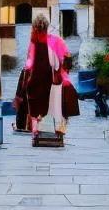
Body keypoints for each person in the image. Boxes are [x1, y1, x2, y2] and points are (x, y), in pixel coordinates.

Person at [21, 14, 79, 144]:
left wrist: (25, 80)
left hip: (36, 82)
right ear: (47, 27)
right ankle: (59, 131)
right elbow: (67, 59)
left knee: (36, 110)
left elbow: (29, 64)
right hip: (52, 82)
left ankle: (36, 133)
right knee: (60, 105)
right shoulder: (56, 41)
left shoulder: (33, 43)